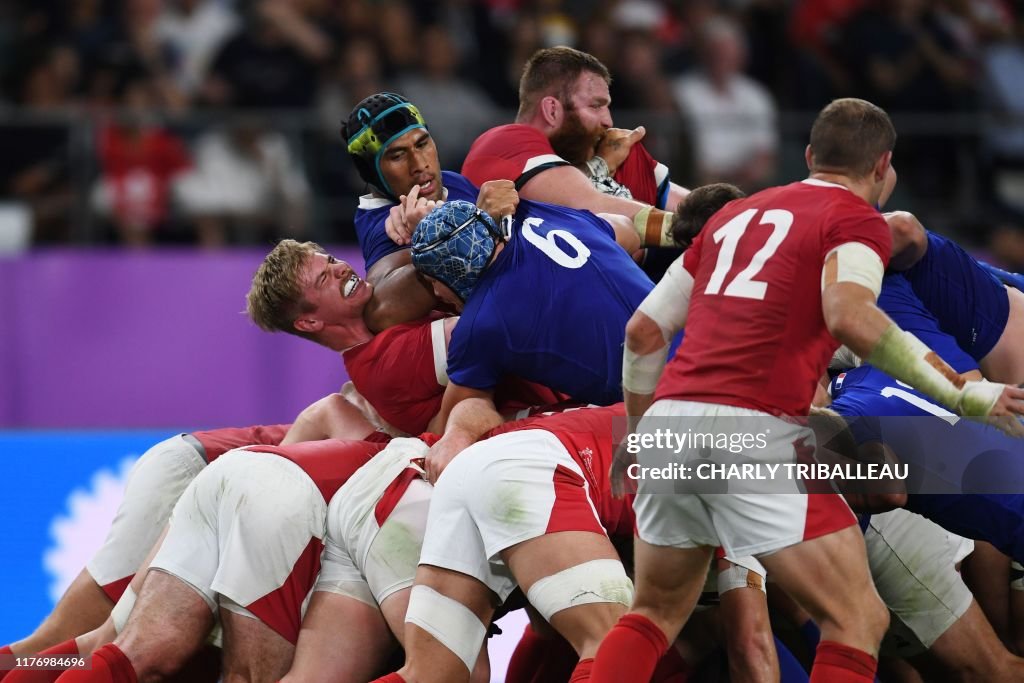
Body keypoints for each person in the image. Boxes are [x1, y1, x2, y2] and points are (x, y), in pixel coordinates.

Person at [595, 98, 1024, 683]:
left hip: (673, 421)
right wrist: (965, 396)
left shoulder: (732, 217)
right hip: (757, 429)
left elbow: (643, 331)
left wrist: (647, 434)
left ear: (808, 156)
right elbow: (851, 315)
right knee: (857, 620)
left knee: (652, 614)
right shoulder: (854, 221)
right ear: (882, 167)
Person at [46, 436, 390, 683]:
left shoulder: (354, 410)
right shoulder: (409, 454)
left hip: (217, 474)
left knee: (109, 646)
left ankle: (19, 664)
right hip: (248, 486)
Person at [408, 196, 653, 473]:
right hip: (702, 348)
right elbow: (627, 231)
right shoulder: (544, 214)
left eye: (432, 282)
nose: (437, 294)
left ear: (452, 274)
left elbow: (447, 424)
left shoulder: (481, 323)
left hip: (664, 415)